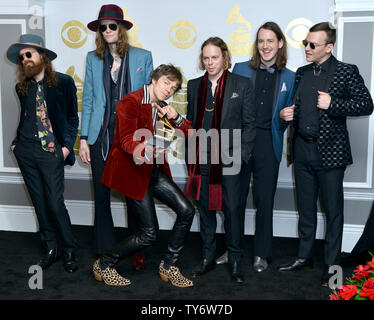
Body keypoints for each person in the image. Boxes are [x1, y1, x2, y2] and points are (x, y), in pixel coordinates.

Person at [277, 22, 373, 286]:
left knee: (333, 212)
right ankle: (304, 257)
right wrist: (288, 115)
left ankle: (333, 267)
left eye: (312, 45)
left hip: (331, 154)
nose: (306, 48)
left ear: (328, 48)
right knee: (305, 210)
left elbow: (367, 104)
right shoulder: (302, 72)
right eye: (306, 43)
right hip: (302, 149)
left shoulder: (346, 71)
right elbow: (299, 106)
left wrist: (334, 104)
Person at [93, 64, 195, 287]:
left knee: (187, 210)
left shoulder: (163, 107)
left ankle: (169, 266)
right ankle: (104, 263)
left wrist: (176, 116)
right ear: (154, 79)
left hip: (153, 171)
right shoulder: (130, 101)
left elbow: (190, 133)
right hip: (132, 172)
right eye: (166, 83)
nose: (169, 89)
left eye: (174, 87)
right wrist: (146, 149)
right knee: (149, 234)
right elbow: (126, 140)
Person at [215, 22, 295, 273]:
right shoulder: (239, 69)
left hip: (266, 144)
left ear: (280, 43)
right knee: (232, 200)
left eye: (270, 40)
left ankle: (262, 253)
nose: (265, 45)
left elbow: (291, 116)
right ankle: (232, 249)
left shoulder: (291, 77)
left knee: (264, 200)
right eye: (261, 41)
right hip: (238, 140)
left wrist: (284, 118)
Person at [79, 4, 153, 269]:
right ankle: (105, 250)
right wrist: (84, 139)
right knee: (101, 194)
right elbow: (88, 99)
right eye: (103, 27)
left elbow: (148, 101)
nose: (108, 30)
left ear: (121, 29)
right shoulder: (92, 58)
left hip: (130, 136)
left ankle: (136, 248)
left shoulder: (143, 57)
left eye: (112, 25)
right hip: (101, 135)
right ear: (99, 31)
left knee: (134, 194)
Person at [185, 37, 256, 283]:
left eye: (214, 57)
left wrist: (242, 156)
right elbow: (190, 123)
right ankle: (207, 258)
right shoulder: (194, 86)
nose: (210, 62)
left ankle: (235, 260)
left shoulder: (242, 84)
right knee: (205, 211)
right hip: (201, 160)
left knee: (232, 211)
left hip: (230, 159)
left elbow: (249, 125)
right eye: (206, 58)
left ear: (224, 57)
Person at [7, 34, 79, 273]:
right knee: (39, 202)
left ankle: (69, 249)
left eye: (29, 54)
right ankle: (51, 247)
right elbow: (26, 117)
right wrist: (17, 144)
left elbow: (71, 118)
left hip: (51, 152)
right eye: (21, 58)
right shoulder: (22, 87)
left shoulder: (64, 82)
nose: (25, 60)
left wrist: (67, 146)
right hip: (26, 151)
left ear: (42, 57)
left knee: (55, 203)